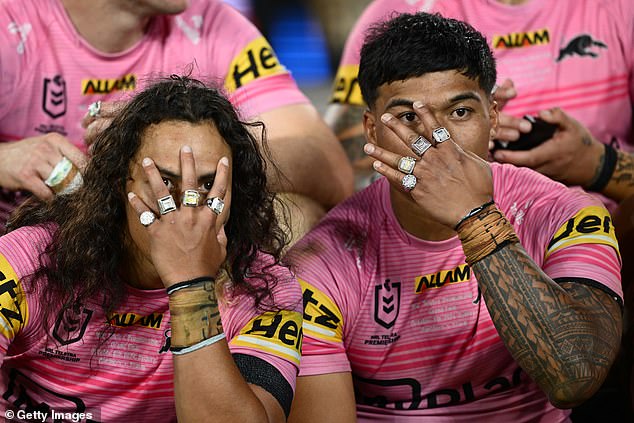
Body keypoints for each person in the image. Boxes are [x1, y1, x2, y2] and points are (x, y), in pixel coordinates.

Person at [286, 12, 623, 422]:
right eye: (408, 117)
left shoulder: (565, 214)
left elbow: (576, 376)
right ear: (371, 131)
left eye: (460, 113)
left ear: (493, 117)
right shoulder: (321, 263)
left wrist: (474, 217)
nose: (435, 140)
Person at [0, 76, 303, 421]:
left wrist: (190, 285)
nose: (185, 214)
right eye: (165, 182)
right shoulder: (27, 261)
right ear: (118, 182)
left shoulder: (266, 289)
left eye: (207, 185)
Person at [0, 0, 353, 235]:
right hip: (29, 264)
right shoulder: (10, 22)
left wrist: (200, 143)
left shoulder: (211, 22)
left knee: (294, 216)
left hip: (161, 268)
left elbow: (331, 169)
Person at [326, 0, 633, 192]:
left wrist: (598, 163)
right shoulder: (398, 13)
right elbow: (343, 170)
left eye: (462, 111)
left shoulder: (621, 9)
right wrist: (459, 135)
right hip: (442, 238)